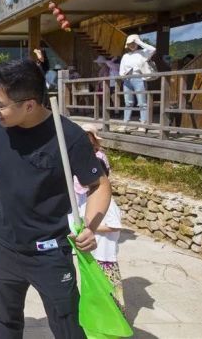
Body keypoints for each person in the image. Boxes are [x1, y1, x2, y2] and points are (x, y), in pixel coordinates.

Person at [0, 59, 112, 338]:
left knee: (68, 326)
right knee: (6, 322)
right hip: (3, 245)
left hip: (49, 250)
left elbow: (99, 185)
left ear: (29, 105)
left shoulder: (68, 136)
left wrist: (90, 225)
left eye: (0, 105)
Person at [70, 124, 125, 314]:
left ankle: (115, 326)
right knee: (95, 296)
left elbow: (115, 225)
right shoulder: (85, 199)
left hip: (105, 258)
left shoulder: (108, 204)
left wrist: (89, 228)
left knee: (110, 297)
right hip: (93, 256)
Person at [119, 34, 156, 132]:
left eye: (133, 43)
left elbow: (153, 49)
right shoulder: (125, 56)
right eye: (130, 43)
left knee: (142, 103)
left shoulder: (143, 52)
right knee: (128, 103)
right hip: (127, 80)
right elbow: (121, 70)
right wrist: (123, 76)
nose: (132, 45)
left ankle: (143, 124)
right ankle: (125, 124)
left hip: (139, 78)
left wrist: (139, 41)